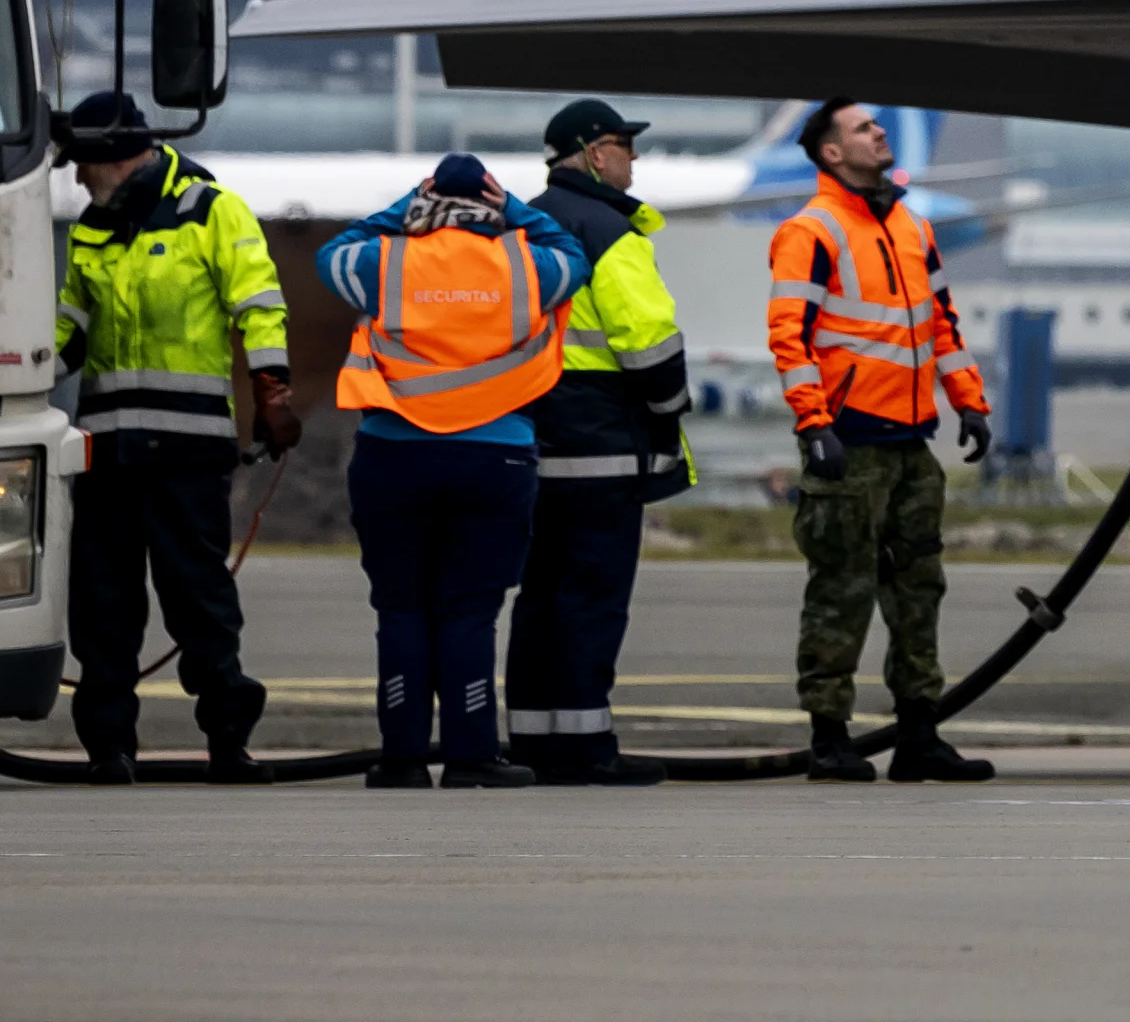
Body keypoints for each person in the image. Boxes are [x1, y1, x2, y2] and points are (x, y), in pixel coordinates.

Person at [320, 154, 585, 790]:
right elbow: (573, 252)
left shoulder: (384, 263)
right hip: (495, 457)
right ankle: (470, 757)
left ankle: (403, 759)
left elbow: (333, 251)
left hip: (394, 455)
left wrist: (408, 204)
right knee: (469, 612)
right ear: (489, 203)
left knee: (401, 610)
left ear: (428, 198)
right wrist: (513, 208)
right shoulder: (530, 266)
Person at [53, 90, 294, 782]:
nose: (76, 178)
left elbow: (260, 302)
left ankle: (228, 740)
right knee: (103, 605)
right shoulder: (96, 226)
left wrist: (271, 393)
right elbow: (68, 330)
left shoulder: (211, 211)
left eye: (83, 165)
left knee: (198, 602)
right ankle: (108, 749)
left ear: (116, 158)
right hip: (108, 450)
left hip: (186, 451)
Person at [769, 99, 995, 783]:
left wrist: (970, 403)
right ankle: (830, 739)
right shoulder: (810, 231)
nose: (879, 132)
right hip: (850, 439)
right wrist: (815, 424)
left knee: (919, 589)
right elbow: (790, 336)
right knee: (840, 589)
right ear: (832, 153)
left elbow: (942, 326)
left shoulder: (911, 227)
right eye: (864, 127)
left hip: (910, 441)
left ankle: (919, 736)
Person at [505, 98, 695, 785]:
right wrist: (672, 412)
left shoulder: (516, 227)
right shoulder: (608, 231)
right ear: (592, 154)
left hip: (525, 444)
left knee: (539, 596)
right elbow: (649, 348)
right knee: (592, 597)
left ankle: (531, 742)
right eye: (623, 145)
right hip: (603, 445)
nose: (632, 158)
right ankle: (586, 747)